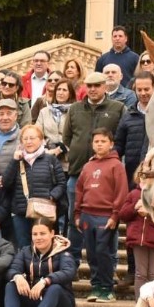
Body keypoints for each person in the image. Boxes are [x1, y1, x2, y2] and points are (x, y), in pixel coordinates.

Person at [62, 72, 125, 258]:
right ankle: (71, 263)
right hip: (77, 172)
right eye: (89, 86)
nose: (92, 89)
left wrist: (107, 161)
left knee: (109, 224)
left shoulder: (118, 108)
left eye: (97, 85)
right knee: (74, 220)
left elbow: (121, 138)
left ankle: (109, 266)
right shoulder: (74, 108)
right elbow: (67, 137)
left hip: (107, 176)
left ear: (105, 86)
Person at [2, 218, 77, 307]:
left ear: (52, 233)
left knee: (55, 288)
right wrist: (18, 276)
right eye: (35, 234)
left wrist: (46, 281)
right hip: (34, 302)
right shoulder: (25, 252)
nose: (38, 238)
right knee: (11, 284)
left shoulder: (63, 252)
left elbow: (69, 272)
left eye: (42, 233)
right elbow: (12, 269)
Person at [75, 128, 129, 303]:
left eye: (103, 141)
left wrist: (115, 216)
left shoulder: (116, 165)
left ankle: (107, 288)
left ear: (111, 144)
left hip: (105, 216)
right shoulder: (88, 166)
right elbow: (79, 190)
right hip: (86, 215)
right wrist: (77, 214)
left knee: (103, 251)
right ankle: (96, 286)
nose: (99, 144)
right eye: (96, 141)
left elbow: (121, 193)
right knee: (91, 253)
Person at [0, 124, 67, 250]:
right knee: (24, 248)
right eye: (25, 139)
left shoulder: (50, 160)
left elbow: (61, 183)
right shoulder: (17, 160)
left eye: (32, 138)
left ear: (41, 140)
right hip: (21, 212)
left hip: (45, 211)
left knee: (45, 246)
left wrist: (51, 196)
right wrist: (14, 161)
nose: (28, 142)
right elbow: (6, 183)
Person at [119, 187, 154, 297]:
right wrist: (135, 207)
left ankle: (153, 306)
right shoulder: (133, 193)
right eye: (142, 176)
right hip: (138, 240)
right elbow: (123, 214)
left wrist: (151, 212)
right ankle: (140, 305)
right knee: (140, 274)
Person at [116, 71, 153, 190]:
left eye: (146, 89)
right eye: (139, 89)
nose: (143, 93)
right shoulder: (128, 116)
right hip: (132, 176)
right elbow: (118, 145)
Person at [34, 78, 73, 161]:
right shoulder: (44, 112)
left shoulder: (75, 111)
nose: (60, 92)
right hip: (47, 157)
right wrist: (47, 149)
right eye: (58, 89)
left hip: (68, 159)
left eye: (64, 90)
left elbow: (78, 135)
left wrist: (62, 148)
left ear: (70, 94)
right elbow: (37, 133)